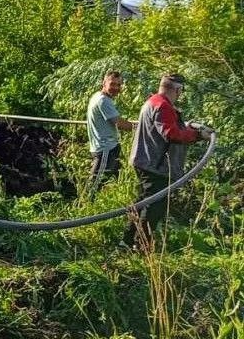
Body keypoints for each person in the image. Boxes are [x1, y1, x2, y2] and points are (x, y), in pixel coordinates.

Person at [128, 73, 213, 243]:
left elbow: (169, 127)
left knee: (143, 202)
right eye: (181, 91)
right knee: (154, 207)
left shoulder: (153, 101)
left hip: (146, 161)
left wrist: (189, 128)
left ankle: (128, 241)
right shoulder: (163, 106)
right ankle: (141, 244)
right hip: (156, 165)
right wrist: (198, 135)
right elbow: (172, 134)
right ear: (178, 90)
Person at [86, 71, 134, 192]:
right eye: (112, 84)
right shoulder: (103, 100)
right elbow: (120, 123)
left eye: (119, 85)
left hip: (108, 147)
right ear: (104, 83)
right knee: (94, 187)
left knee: (121, 183)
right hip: (105, 149)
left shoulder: (97, 96)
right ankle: (86, 203)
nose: (116, 88)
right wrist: (142, 127)